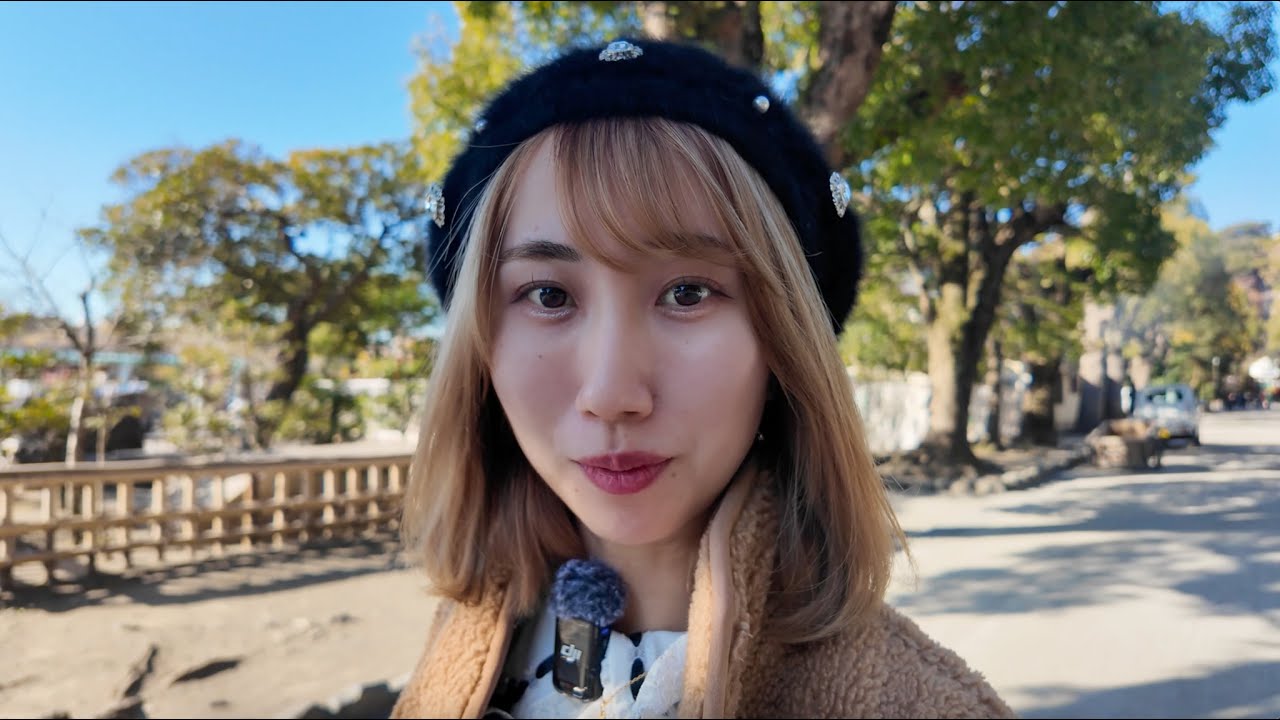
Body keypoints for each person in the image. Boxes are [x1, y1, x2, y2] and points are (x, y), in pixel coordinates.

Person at [391, 37, 1016, 719]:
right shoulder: (460, 651)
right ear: (480, 349)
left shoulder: (918, 706)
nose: (611, 395)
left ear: (783, 343)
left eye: (688, 292)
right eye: (547, 295)